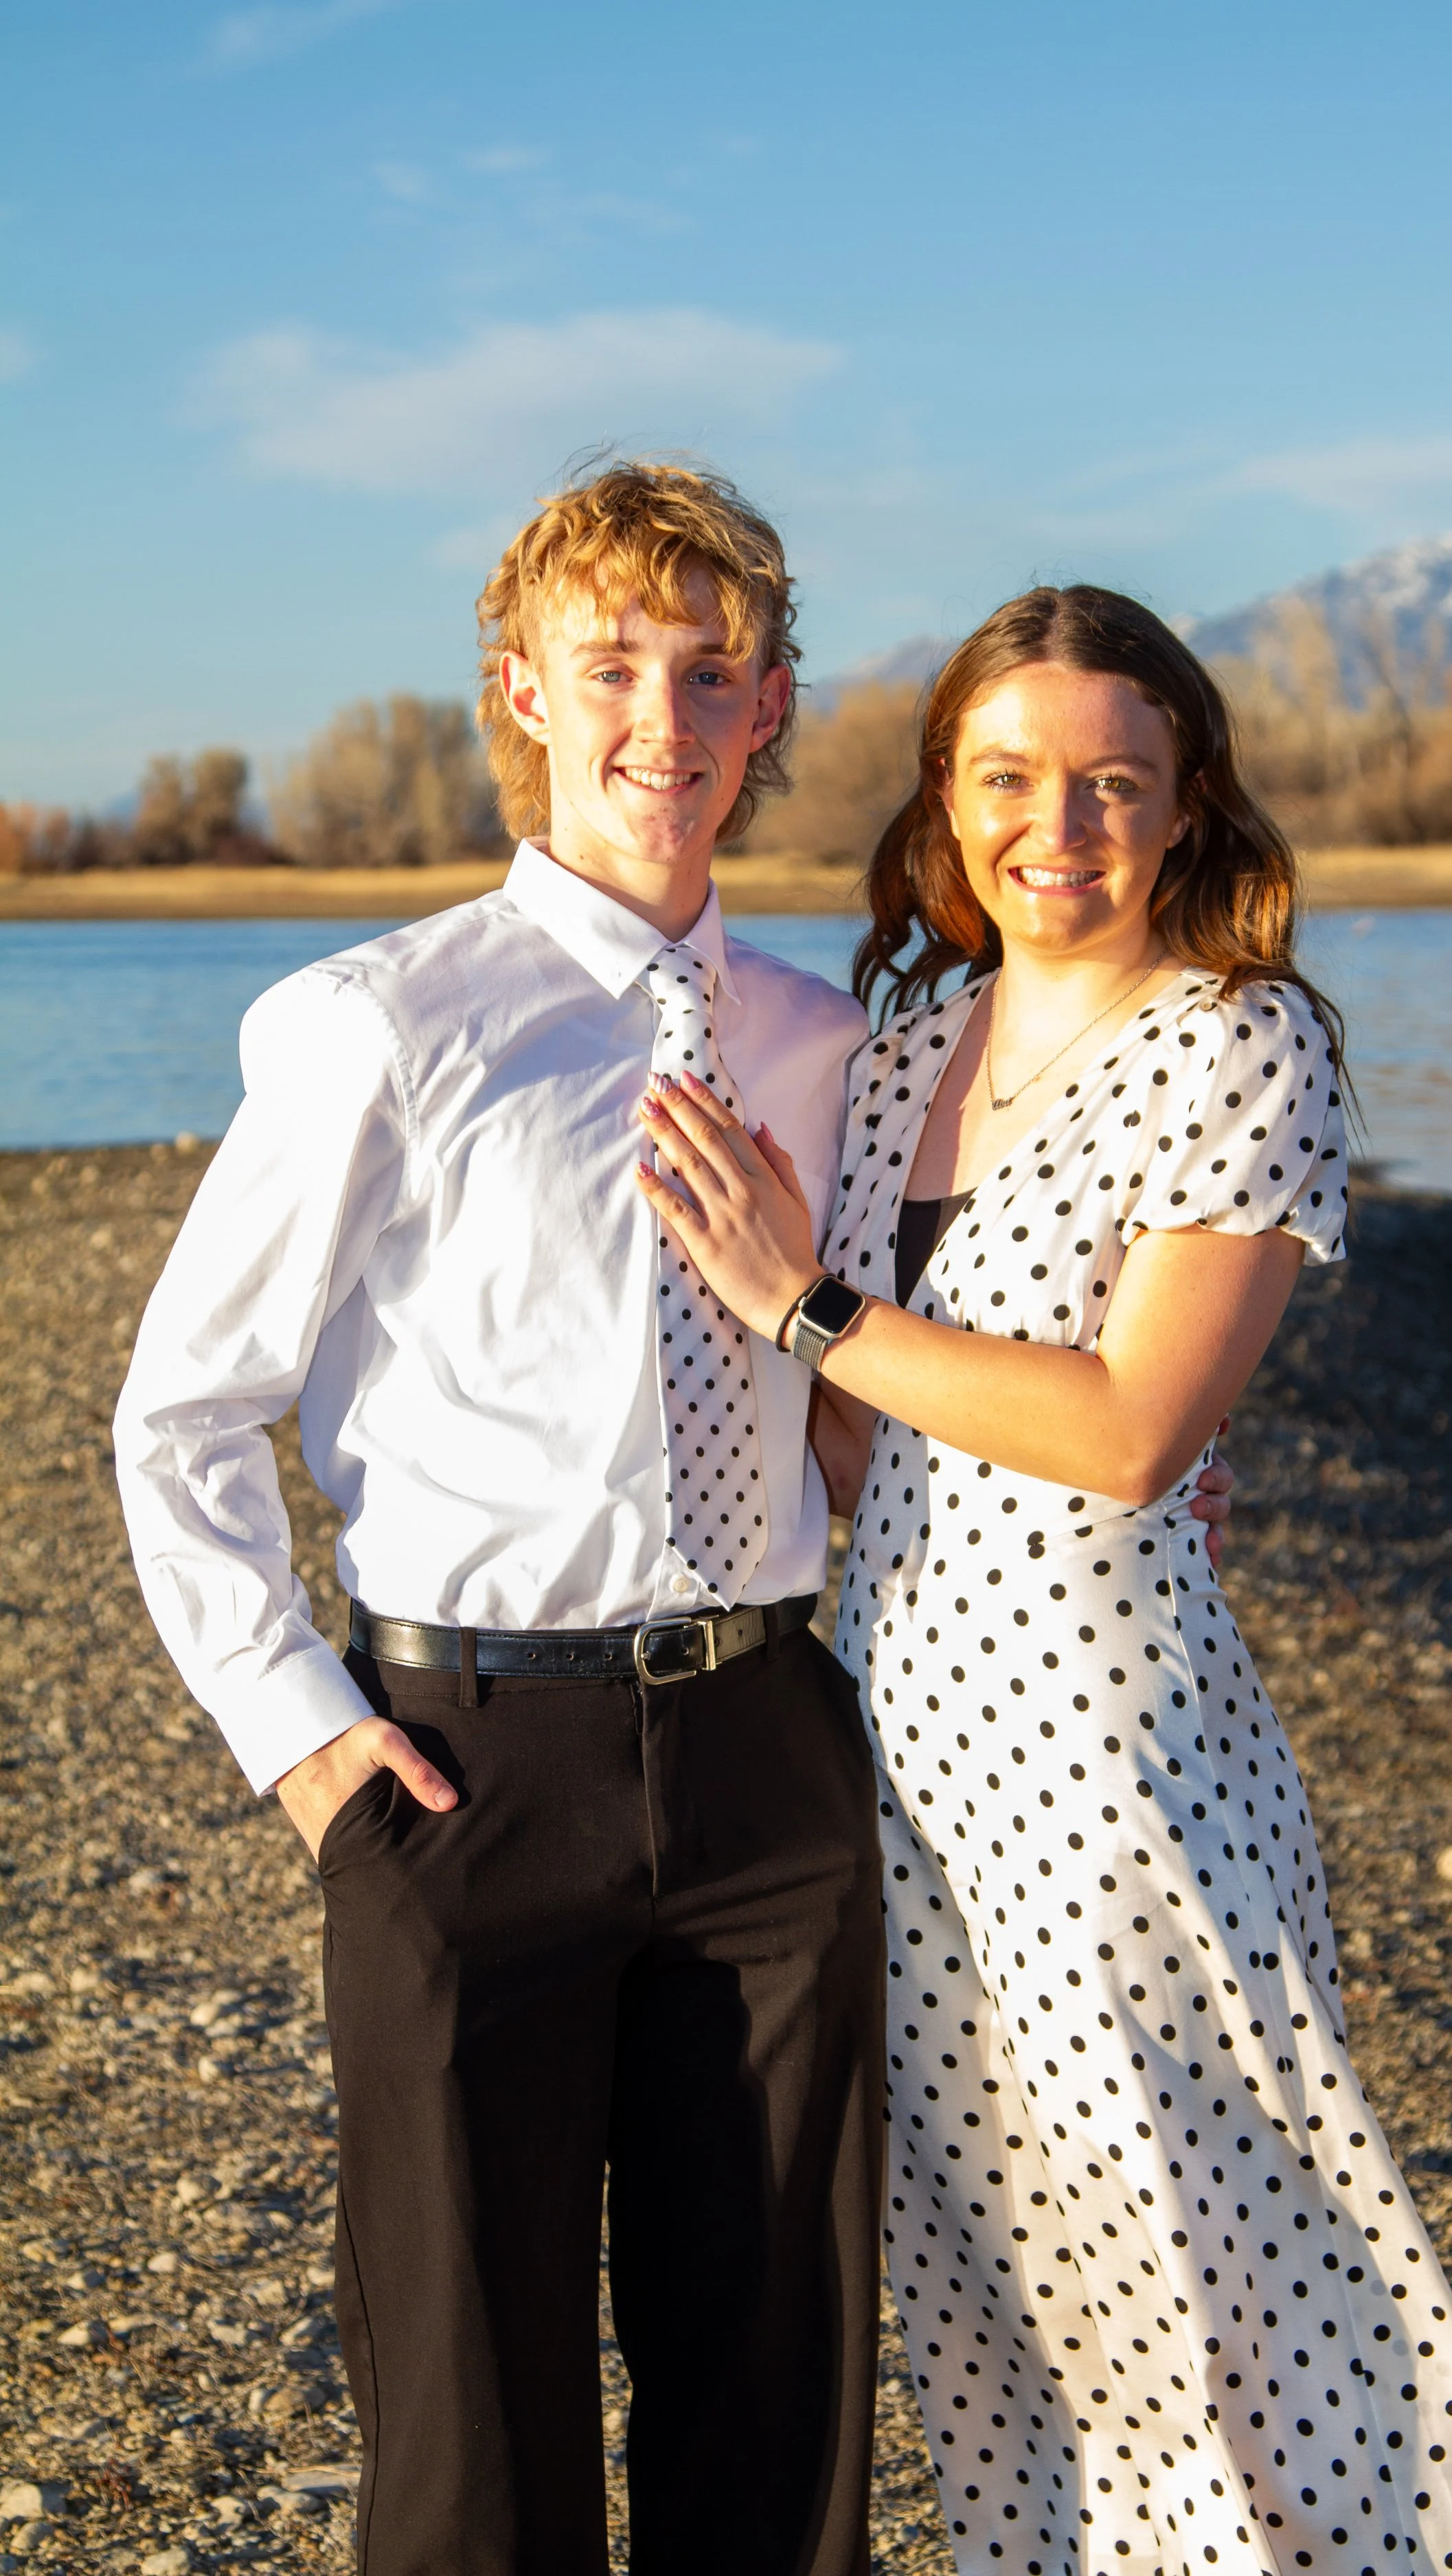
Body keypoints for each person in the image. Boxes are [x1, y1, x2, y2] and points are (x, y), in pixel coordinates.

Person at [635, 584, 1452, 2576]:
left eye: (1107, 782)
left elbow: (1130, 1430)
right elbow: (861, 1442)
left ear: (1181, 804)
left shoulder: (1240, 1044)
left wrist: (792, 1298)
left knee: (1214, 2287)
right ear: (943, 801)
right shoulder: (897, 1059)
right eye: (1004, 777)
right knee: (1008, 2317)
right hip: (892, 1755)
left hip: (1108, 1764)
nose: (1051, 824)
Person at [114, 460, 894, 2576]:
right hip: (469, 1772)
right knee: (473, 2437)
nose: (663, 711)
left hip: (765, 1764)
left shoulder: (824, 1045)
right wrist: (304, 1746)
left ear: (770, 710)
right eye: (612, 663)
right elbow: (180, 1417)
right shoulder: (380, 1025)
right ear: (521, 696)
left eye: (710, 670)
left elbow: (869, 1389)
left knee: (779, 2396)